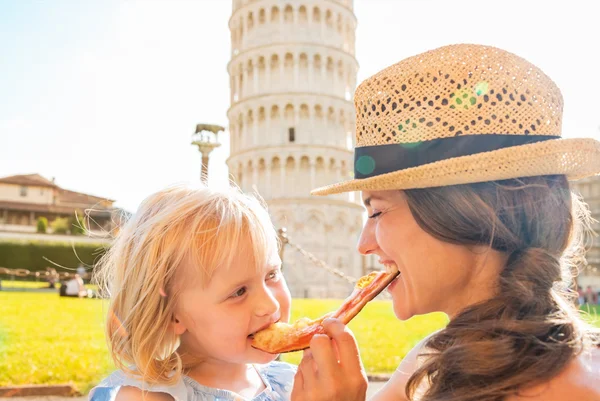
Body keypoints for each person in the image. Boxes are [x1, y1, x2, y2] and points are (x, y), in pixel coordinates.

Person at [293, 44, 600, 401]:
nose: (364, 243)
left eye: (377, 211)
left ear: (465, 212)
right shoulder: (440, 354)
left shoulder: (562, 392)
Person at [88, 183, 296, 401]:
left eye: (272, 275)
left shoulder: (290, 381)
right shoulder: (143, 396)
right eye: (239, 292)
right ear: (172, 314)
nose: (270, 305)